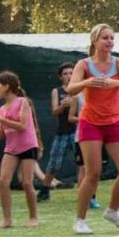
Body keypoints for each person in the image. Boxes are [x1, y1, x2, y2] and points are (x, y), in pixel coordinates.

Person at [68, 24, 119, 235]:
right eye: (105, 38)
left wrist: (113, 83)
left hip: (114, 121)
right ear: (95, 41)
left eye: (111, 38)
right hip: (90, 122)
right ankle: (80, 220)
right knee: (93, 173)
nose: (109, 41)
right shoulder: (84, 64)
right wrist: (88, 81)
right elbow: (71, 88)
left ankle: (113, 211)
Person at [0, 71, 40, 228]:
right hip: (11, 148)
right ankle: (7, 220)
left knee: (27, 183)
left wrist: (2, 119)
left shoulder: (23, 102)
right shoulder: (2, 108)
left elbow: (22, 126)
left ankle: (33, 217)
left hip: (28, 146)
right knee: (3, 181)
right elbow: (0, 136)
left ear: (7, 86)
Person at [40, 62, 77, 195]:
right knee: (54, 163)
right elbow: (55, 111)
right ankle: (45, 189)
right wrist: (63, 105)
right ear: (60, 77)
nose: (69, 76)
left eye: (71, 73)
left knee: (82, 162)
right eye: (65, 74)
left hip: (78, 131)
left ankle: (88, 193)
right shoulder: (57, 91)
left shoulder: (81, 90)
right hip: (62, 132)